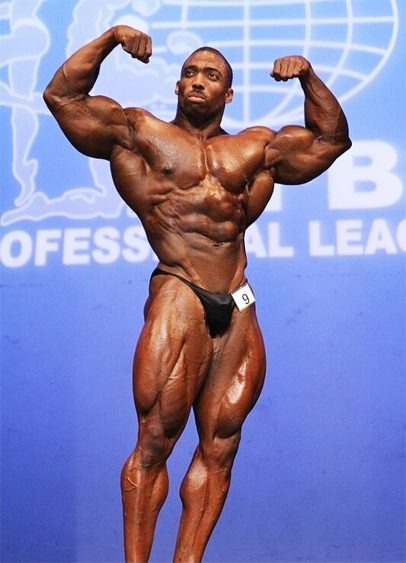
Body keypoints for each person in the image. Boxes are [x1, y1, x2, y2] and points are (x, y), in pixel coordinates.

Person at [43, 25, 351, 562]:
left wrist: (308, 77)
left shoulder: (256, 147)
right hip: (179, 287)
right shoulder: (139, 133)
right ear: (176, 84)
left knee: (221, 446)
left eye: (211, 75)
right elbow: (62, 97)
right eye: (189, 72)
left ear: (228, 94)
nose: (197, 81)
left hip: (237, 298)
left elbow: (331, 141)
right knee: (155, 440)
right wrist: (111, 38)